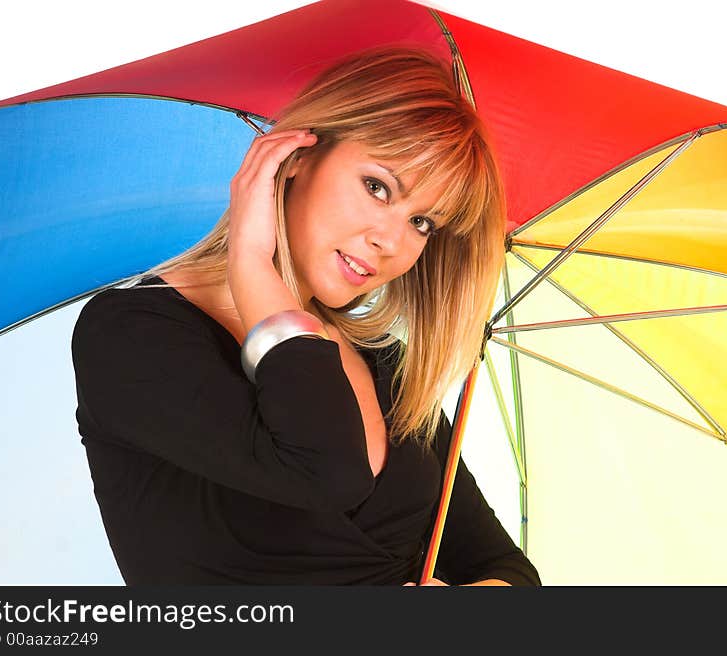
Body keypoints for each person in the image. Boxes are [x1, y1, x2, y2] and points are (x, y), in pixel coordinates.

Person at [71, 48, 541, 586]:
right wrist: (250, 264)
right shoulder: (130, 337)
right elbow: (326, 470)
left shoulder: (390, 368)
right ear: (296, 157)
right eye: (377, 186)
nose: (389, 241)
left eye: (422, 222)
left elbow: (506, 570)